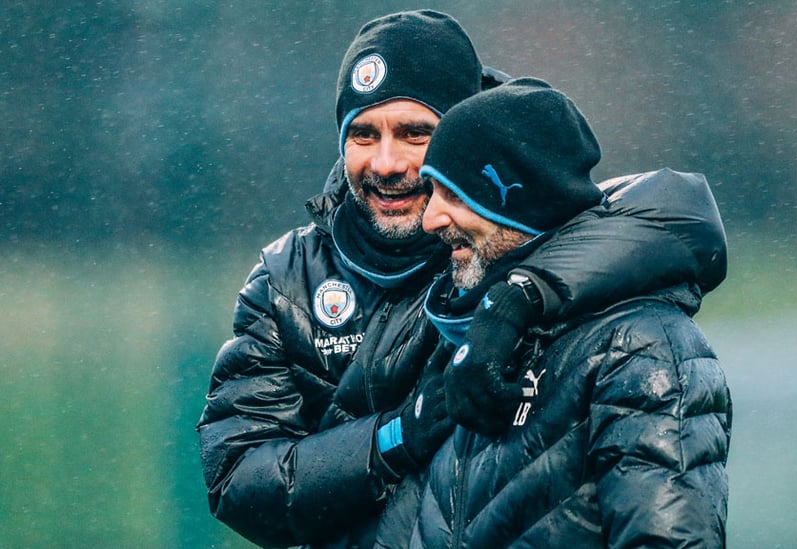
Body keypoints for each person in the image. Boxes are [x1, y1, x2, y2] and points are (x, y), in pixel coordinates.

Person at [197, 10, 728, 549]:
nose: (386, 162)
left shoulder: (510, 241)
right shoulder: (287, 278)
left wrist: (518, 297)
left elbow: (679, 217)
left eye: (414, 133)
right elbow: (237, 479)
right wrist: (396, 436)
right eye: (362, 133)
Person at [381, 77, 732, 548]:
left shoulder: (640, 348)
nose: (430, 219)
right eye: (431, 193)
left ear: (518, 201)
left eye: (454, 194)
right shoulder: (474, 343)